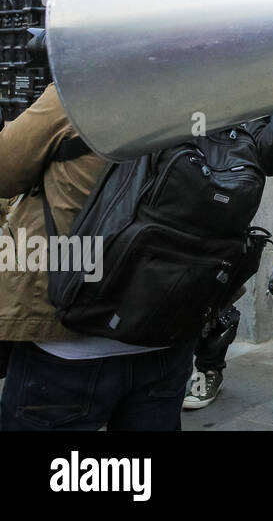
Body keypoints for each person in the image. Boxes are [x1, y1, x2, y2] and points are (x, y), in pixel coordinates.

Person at [0, 85, 194, 430]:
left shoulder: (76, 92)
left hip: (68, 342)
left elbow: (4, 171)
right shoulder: (203, 93)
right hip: (167, 330)